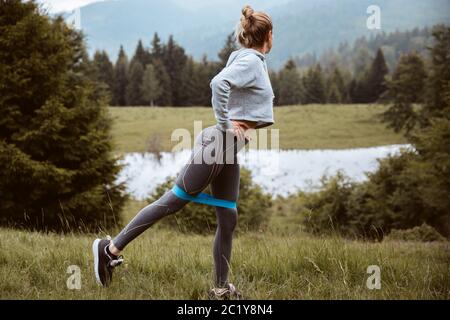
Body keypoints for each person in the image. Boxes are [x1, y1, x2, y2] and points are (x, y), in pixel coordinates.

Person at [92, 4, 274, 299]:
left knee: (228, 218)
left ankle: (219, 290)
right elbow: (219, 84)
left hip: (227, 150)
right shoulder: (252, 61)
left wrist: (235, 126)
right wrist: (226, 125)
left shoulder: (247, 58)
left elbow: (235, 92)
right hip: (219, 145)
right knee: (173, 201)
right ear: (269, 35)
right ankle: (109, 249)